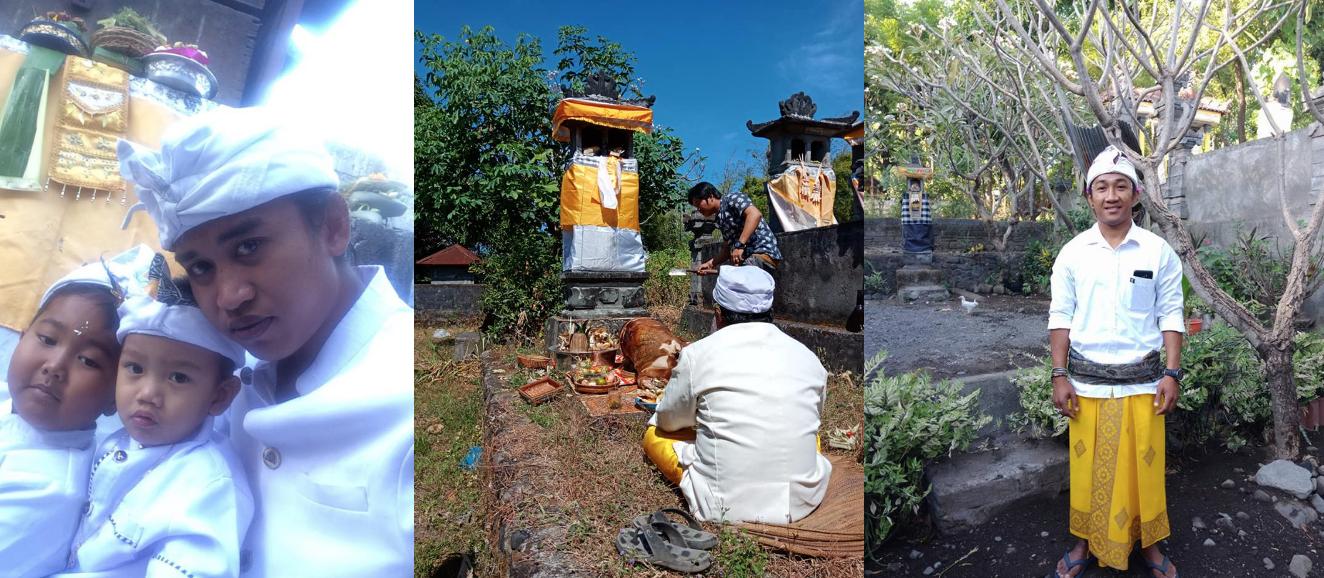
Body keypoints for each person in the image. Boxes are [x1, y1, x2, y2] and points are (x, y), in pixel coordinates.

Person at [116, 106, 413, 576]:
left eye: (249, 247)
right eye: (201, 268)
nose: (229, 297)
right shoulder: (218, 367)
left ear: (333, 226)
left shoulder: (410, 402)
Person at [1047, 146, 1185, 578]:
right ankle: (1083, 543)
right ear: (1089, 197)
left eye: (1120, 186)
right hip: (1086, 386)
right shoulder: (1073, 254)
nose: (1112, 195)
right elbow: (1060, 317)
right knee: (1087, 470)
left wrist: (1172, 372)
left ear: (1135, 194)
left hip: (1144, 384)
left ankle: (1150, 546)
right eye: (1102, 187)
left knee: (1144, 471)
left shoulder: (1157, 252)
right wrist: (1059, 375)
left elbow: (1172, 313)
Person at [57, 279, 253, 576]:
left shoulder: (208, 485)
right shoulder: (117, 442)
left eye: (178, 378)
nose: (147, 393)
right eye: (135, 369)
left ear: (219, 395)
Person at [642, 265, 831, 524]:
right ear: (769, 312)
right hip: (802, 500)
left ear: (718, 313)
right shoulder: (808, 357)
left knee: (656, 434)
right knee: (809, 436)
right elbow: (815, 414)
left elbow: (670, 421)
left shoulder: (698, 354)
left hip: (725, 506)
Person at [0, 249, 143, 578]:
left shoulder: (45, 488)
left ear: (114, 398)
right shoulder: (9, 400)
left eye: (90, 360)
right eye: (47, 339)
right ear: (22, 337)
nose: (55, 367)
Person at [688, 182, 782, 275]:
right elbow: (727, 249)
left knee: (738, 285)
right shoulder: (719, 219)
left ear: (711, 197)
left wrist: (739, 245)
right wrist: (709, 264)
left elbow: (755, 215)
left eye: (698, 203)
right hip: (747, 259)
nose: (698, 209)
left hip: (762, 252)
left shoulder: (733, 198)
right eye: (696, 207)